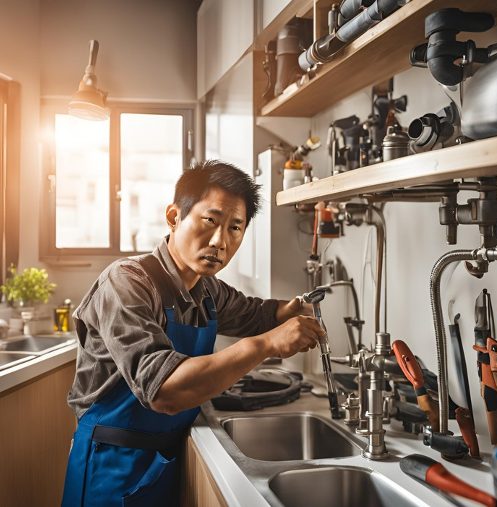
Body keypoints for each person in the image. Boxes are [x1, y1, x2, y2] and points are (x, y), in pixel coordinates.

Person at [61, 160, 324, 507]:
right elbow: (164, 391)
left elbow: (254, 314)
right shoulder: (127, 282)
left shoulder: (207, 290)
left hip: (163, 462)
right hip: (110, 464)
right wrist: (265, 344)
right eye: (210, 221)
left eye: (235, 228)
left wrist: (291, 309)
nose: (220, 241)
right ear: (173, 217)